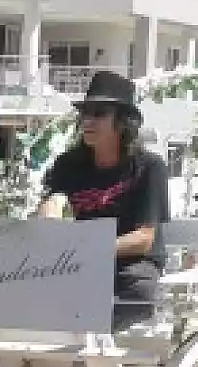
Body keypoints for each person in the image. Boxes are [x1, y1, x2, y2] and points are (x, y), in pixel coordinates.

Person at [39, 70, 172, 330]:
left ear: (123, 123)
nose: (88, 121)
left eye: (99, 114)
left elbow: (144, 239)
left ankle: (89, 341)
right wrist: (49, 212)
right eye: (85, 114)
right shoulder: (68, 164)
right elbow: (52, 202)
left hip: (131, 266)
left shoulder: (149, 168)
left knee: (141, 292)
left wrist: (91, 249)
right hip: (83, 264)